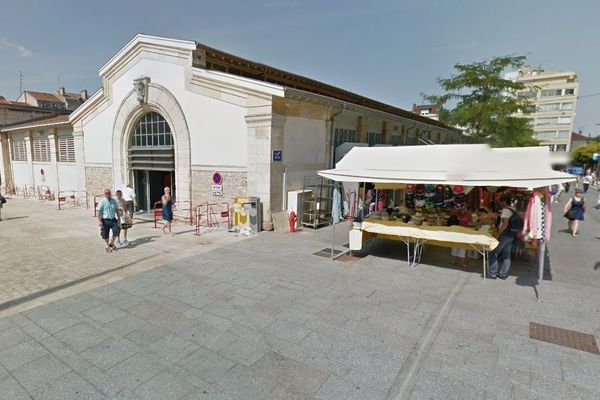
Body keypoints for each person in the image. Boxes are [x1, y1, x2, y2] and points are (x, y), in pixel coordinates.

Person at [487, 195, 522, 280]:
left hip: (505, 234)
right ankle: (503, 274)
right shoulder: (513, 209)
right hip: (511, 234)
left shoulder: (506, 210)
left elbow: (505, 223)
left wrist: (498, 234)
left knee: (493, 252)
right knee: (506, 254)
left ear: (504, 202)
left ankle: (492, 273)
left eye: (500, 201)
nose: (499, 203)